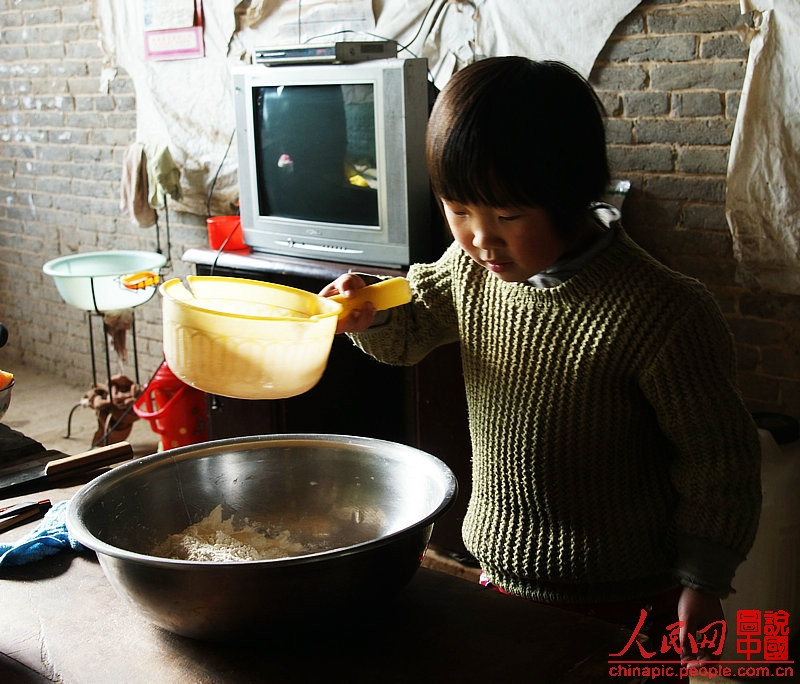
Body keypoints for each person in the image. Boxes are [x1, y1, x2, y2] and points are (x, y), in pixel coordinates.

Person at [320, 57, 761, 664]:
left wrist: (704, 580)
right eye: (458, 209)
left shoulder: (664, 313)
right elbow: (412, 327)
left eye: (507, 216)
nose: (479, 238)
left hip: (626, 596)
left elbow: (719, 461)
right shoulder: (470, 271)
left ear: (571, 197)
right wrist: (370, 310)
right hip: (500, 574)